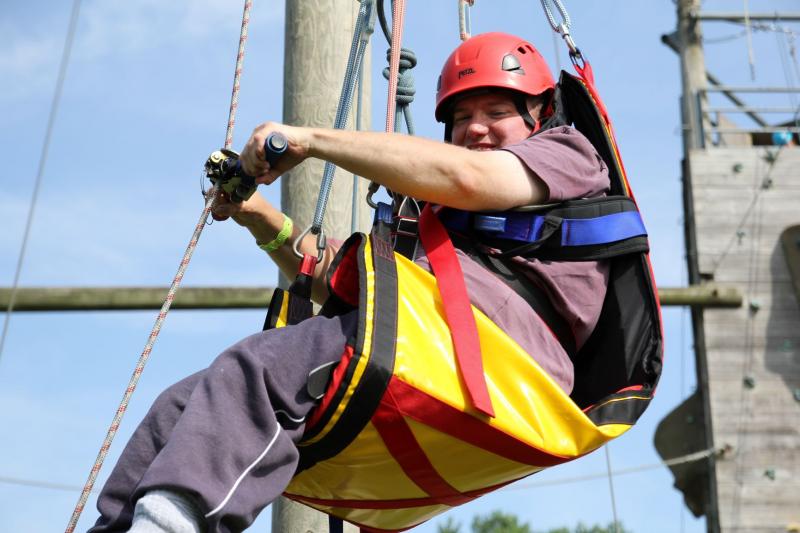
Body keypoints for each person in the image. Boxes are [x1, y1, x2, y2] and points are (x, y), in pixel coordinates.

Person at [90, 32, 610, 533]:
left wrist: (310, 140)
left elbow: (469, 178)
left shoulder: (567, 155)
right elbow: (341, 276)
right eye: (461, 117)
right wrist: (256, 216)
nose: (475, 129)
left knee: (254, 369)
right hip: (445, 342)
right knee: (181, 410)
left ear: (540, 114)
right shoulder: (447, 220)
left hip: (507, 361)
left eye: (496, 112)